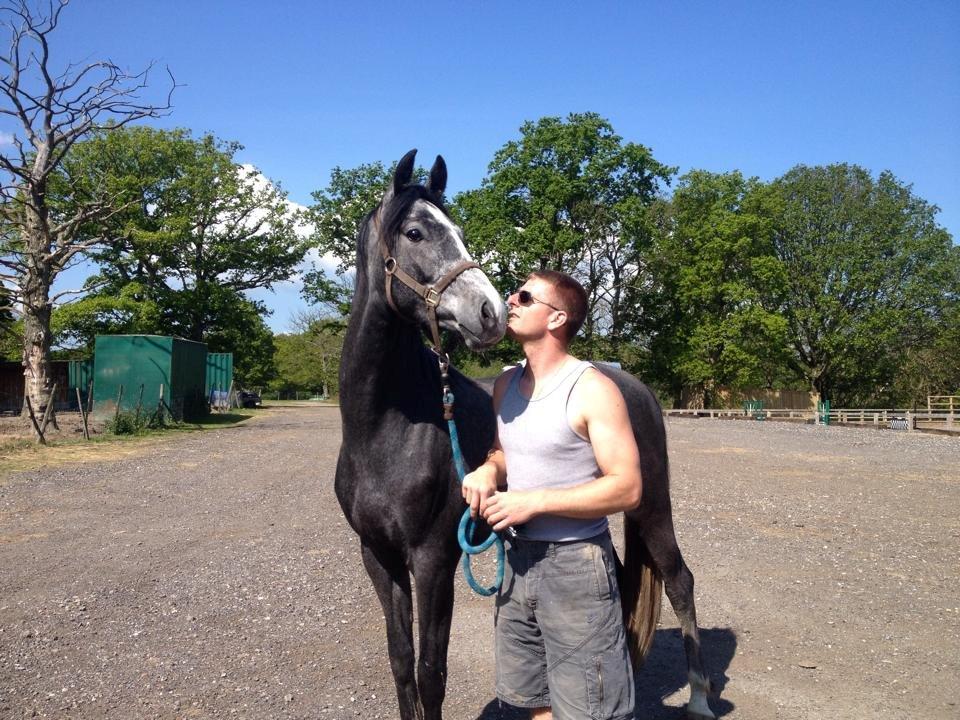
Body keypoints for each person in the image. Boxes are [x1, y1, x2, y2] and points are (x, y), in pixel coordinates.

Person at [462, 270, 642, 720]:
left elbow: (627, 486)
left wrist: (534, 501)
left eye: (525, 297)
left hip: (575, 565)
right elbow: (504, 451)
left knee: (589, 709)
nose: (511, 300)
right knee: (533, 701)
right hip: (516, 562)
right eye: (514, 293)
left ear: (557, 318)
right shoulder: (505, 385)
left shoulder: (592, 389)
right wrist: (488, 469)